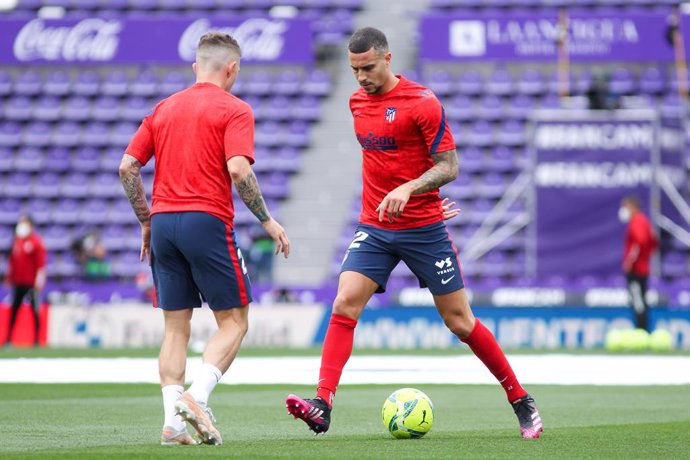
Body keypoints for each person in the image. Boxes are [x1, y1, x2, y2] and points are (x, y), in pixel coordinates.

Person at [285, 27, 542, 440]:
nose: (361, 77)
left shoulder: (422, 102)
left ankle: (520, 399)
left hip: (424, 229)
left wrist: (411, 190)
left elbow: (449, 166)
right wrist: (396, 192)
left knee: (460, 322)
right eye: (354, 69)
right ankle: (322, 404)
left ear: (388, 59)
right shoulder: (355, 102)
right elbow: (387, 160)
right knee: (345, 302)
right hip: (376, 224)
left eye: (367, 67)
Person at [120, 32, 290, 446]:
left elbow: (127, 167)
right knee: (234, 321)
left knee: (175, 329)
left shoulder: (163, 108)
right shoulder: (235, 109)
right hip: (206, 220)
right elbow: (238, 170)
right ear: (232, 68)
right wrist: (267, 221)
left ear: (197, 68)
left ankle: (173, 425)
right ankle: (196, 398)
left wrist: (146, 221)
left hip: (162, 223)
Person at [4, 215, 46, 347]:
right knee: (14, 310)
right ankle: (9, 339)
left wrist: (39, 281)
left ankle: (37, 340)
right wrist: (9, 277)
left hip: (30, 283)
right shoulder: (17, 242)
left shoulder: (36, 242)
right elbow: (12, 262)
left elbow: (40, 264)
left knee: (34, 311)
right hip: (18, 282)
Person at [619, 196, 658, 331]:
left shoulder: (637, 221)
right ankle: (643, 329)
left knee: (638, 302)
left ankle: (641, 331)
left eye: (625, 207)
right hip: (643, 268)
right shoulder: (645, 221)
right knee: (640, 300)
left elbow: (639, 242)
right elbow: (653, 242)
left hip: (636, 270)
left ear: (632, 207)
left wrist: (630, 261)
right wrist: (645, 258)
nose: (622, 210)